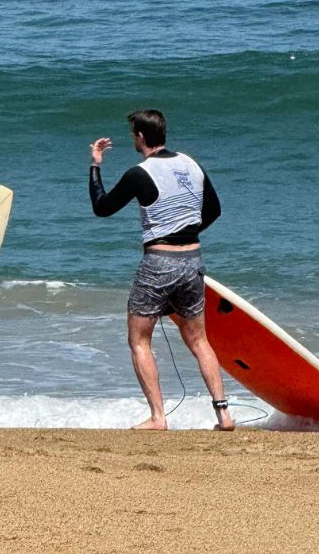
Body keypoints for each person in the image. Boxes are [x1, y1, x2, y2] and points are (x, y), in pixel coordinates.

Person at [88, 109, 235, 431]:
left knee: (139, 340)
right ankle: (224, 415)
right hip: (193, 260)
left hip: (158, 264)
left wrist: (95, 166)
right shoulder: (191, 164)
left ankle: (158, 417)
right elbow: (214, 209)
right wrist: (185, 234)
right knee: (199, 340)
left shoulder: (140, 173)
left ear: (140, 137)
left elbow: (102, 208)